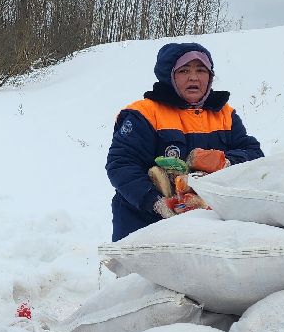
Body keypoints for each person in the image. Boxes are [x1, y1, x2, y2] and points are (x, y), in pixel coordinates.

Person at [105, 41, 263, 240]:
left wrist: (225, 161)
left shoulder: (225, 114)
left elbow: (254, 154)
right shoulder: (143, 114)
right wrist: (157, 203)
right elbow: (121, 165)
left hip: (209, 223)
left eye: (201, 70)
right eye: (184, 70)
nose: (193, 77)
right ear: (168, 76)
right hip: (144, 223)